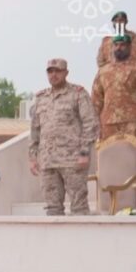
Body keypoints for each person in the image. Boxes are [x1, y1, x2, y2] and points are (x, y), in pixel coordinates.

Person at [29, 59, 99, 216]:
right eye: (50, 71)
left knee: (79, 208)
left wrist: (84, 153)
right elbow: (34, 130)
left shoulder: (78, 94)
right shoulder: (41, 97)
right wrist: (33, 157)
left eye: (57, 71)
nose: (53, 75)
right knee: (52, 209)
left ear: (66, 73)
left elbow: (90, 124)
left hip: (72, 161)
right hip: (48, 161)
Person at [92, 35, 136, 142]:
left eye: (122, 45)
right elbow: (96, 98)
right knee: (110, 151)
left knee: (135, 151)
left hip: (134, 120)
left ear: (129, 47)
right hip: (108, 122)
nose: (118, 48)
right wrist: (95, 121)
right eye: (116, 45)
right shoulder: (104, 70)